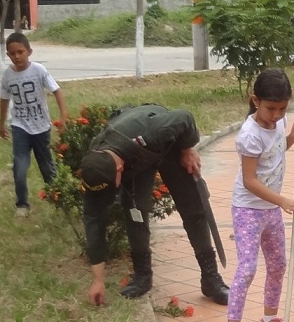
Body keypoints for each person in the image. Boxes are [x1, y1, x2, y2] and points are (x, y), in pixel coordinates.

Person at [77, 104, 230, 306]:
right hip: (135, 161)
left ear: (119, 169)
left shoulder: (155, 130)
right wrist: (98, 280)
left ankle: (210, 278)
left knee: (193, 207)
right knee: (134, 211)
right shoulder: (95, 166)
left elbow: (184, 117)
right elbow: (93, 219)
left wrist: (186, 148)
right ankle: (143, 275)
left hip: (166, 144)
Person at [222, 69, 294, 322]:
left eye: (282, 108)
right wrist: (283, 200)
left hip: (271, 210)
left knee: (278, 264)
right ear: (255, 101)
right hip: (248, 209)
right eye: (271, 108)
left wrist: (293, 133)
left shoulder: (278, 121)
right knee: (247, 269)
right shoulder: (249, 135)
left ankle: (270, 320)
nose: (276, 115)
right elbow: (250, 181)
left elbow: (278, 150)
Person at [0, 32, 67, 216]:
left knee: (47, 166)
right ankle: (22, 204)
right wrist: (2, 124)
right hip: (20, 125)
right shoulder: (7, 75)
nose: (17, 56)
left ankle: (58, 198)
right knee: (20, 166)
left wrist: (63, 118)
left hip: (41, 126)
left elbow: (57, 92)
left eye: (20, 52)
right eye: (12, 53)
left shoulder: (39, 71)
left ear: (29, 51)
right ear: (8, 54)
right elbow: (4, 100)